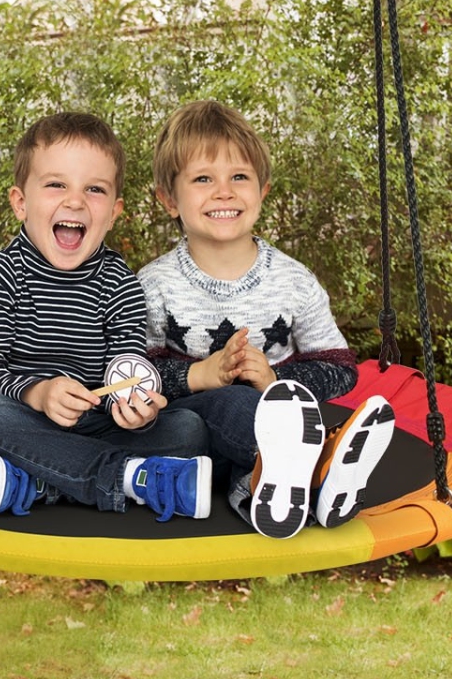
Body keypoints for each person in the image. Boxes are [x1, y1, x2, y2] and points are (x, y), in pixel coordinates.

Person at [139, 100, 396, 539]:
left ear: (263, 191)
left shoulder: (293, 281)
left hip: (277, 431)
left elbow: (338, 368)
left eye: (239, 177)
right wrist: (204, 373)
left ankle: (269, 490)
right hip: (194, 434)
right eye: (203, 179)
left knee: (261, 411)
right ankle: (322, 468)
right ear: (169, 199)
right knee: (228, 404)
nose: (224, 192)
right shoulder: (154, 285)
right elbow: (138, 376)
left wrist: (275, 382)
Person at [0, 111, 213, 522]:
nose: (74, 201)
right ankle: (127, 478)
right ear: (20, 203)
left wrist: (136, 408)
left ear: (113, 212)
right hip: (26, 424)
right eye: (56, 184)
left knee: (188, 430)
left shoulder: (120, 283)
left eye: (94, 189)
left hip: (99, 426)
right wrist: (37, 393)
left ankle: (42, 484)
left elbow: (127, 368)